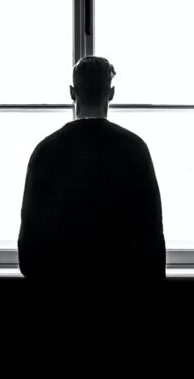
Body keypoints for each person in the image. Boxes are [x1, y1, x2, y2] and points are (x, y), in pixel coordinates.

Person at [17, 56, 166, 282]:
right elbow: (151, 233)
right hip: (122, 285)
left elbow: (29, 241)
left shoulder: (46, 151)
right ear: (112, 93)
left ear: (71, 92)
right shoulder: (134, 149)